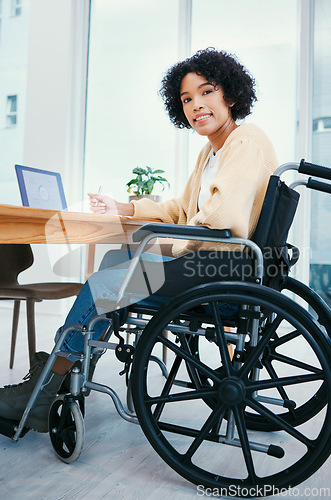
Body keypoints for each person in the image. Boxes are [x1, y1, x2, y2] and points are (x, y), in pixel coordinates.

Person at [0, 48, 278, 432]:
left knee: (101, 287)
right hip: (215, 265)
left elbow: (221, 217)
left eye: (207, 92)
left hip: (218, 271)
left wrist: (167, 250)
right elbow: (182, 208)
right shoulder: (212, 152)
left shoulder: (246, 139)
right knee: (116, 258)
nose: (196, 105)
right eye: (186, 99)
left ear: (229, 94)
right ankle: (76, 368)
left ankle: (47, 387)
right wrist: (125, 209)